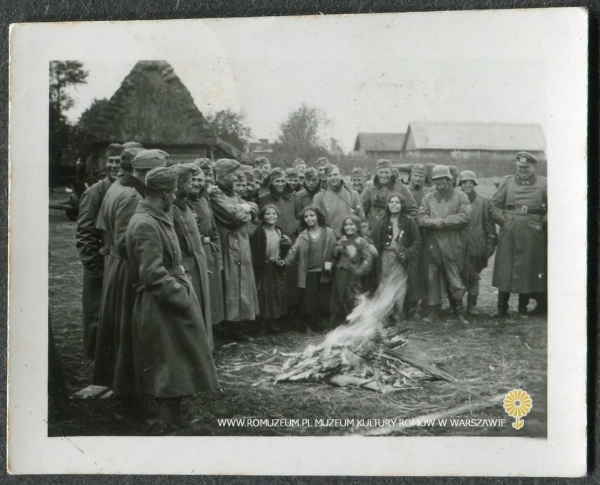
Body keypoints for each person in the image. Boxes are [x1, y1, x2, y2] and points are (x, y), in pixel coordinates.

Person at [126, 166, 219, 435]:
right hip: (160, 304)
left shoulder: (156, 216)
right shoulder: (144, 223)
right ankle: (164, 425)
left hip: (168, 301)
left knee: (174, 364)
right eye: (174, 190)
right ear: (165, 193)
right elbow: (152, 274)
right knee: (164, 366)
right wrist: (182, 298)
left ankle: (172, 420)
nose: (176, 195)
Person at [94, 148, 168, 425]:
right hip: (128, 272)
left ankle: (127, 401)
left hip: (117, 267)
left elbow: (105, 231)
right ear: (146, 172)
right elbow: (128, 243)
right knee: (131, 339)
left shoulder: (116, 187)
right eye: (158, 173)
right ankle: (130, 405)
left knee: (124, 338)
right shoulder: (130, 196)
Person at [76, 143, 122, 359]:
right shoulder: (95, 191)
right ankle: (94, 356)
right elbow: (85, 232)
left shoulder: (122, 189)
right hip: (98, 262)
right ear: (106, 163)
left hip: (114, 261)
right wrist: (93, 265)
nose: (114, 166)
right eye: (111, 162)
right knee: (96, 310)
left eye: (118, 162)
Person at [490, 151, 548, 318]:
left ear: (533, 167)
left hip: (533, 232)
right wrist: (504, 222)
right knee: (505, 268)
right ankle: (501, 309)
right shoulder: (507, 182)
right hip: (510, 229)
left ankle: (522, 309)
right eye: (520, 167)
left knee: (527, 268)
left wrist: (541, 223)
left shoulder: (544, 184)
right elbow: (494, 205)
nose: (522, 170)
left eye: (526, 167)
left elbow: (553, 208)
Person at [210, 158, 260, 341]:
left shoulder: (232, 194)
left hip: (241, 242)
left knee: (241, 284)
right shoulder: (215, 195)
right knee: (230, 284)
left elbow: (253, 208)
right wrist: (244, 209)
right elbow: (235, 216)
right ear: (223, 175)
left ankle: (238, 325)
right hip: (228, 245)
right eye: (233, 174)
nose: (236, 177)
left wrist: (246, 207)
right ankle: (228, 327)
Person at [417, 165, 471, 324]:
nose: (440, 182)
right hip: (433, 244)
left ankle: (458, 310)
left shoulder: (461, 196)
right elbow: (421, 217)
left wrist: (444, 222)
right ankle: (434, 310)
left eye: (443, 179)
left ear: (449, 179)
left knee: (455, 278)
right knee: (433, 277)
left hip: (454, 244)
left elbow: (465, 216)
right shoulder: (428, 198)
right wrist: (433, 222)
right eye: (436, 179)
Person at [171, 164, 214, 349]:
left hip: (197, 262)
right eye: (189, 182)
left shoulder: (187, 204)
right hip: (186, 265)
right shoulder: (172, 207)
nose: (193, 186)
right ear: (180, 184)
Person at [282, 206, 336, 332]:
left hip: (324, 272)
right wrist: (284, 262)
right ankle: (309, 328)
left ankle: (322, 327)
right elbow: (294, 250)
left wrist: (330, 264)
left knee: (323, 300)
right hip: (309, 273)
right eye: (306, 217)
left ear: (318, 217)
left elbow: (334, 252)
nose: (309, 218)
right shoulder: (303, 235)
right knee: (309, 302)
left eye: (312, 215)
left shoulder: (328, 232)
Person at [371, 195, 421, 325]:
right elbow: (372, 237)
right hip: (385, 256)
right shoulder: (382, 221)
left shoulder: (409, 221)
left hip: (401, 258)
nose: (394, 205)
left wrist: (407, 252)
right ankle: (384, 314)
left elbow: (417, 240)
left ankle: (397, 314)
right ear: (387, 205)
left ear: (402, 205)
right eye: (391, 202)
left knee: (400, 285)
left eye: (397, 202)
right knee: (385, 283)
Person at [188, 159, 225, 330]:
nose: (196, 184)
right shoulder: (182, 203)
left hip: (209, 253)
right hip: (194, 253)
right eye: (193, 180)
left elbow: (214, 230)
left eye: (200, 180)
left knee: (212, 296)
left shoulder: (205, 201)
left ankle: (212, 333)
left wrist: (218, 255)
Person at [258, 167, 300, 315]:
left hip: (289, 241)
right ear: (271, 182)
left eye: (283, 181)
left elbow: (298, 217)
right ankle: (273, 313)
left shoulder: (293, 198)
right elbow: (260, 219)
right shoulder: (264, 198)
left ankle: (288, 310)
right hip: (271, 241)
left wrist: (292, 231)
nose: (280, 184)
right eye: (277, 181)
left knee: (289, 276)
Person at [458, 170, 498, 316]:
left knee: (473, 277)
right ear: (460, 185)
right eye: (464, 182)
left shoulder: (483, 202)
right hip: (459, 246)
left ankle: (471, 306)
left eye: (470, 182)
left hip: (477, 246)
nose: (467, 185)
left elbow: (489, 226)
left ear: (474, 184)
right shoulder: (456, 200)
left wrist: (489, 248)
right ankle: (456, 306)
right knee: (458, 277)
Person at [250, 205, 293, 334]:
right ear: (263, 217)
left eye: (274, 214)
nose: (271, 216)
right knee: (263, 295)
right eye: (268, 214)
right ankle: (261, 325)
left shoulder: (279, 231)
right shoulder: (260, 231)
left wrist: (283, 253)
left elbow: (281, 249)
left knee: (275, 294)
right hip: (263, 267)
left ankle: (271, 324)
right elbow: (256, 251)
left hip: (275, 267)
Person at [330, 215, 374, 323]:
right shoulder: (342, 240)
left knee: (353, 297)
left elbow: (367, 258)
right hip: (340, 273)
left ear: (358, 227)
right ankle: (341, 320)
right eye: (346, 225)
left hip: (353, 274)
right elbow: (333, 256)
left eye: (351, 224)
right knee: (339, 296)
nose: (348, 227)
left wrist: (360, 270)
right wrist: (337, 251)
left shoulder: (362, 241)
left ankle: (358, 321)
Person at [361, 159, 418, 230]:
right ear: (377, 173)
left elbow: (412, 211)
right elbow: (360, 212)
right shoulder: (369, 190)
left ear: (391, 173)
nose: (383, 175)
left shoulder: (402, 188)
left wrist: (405, 226)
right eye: (381, 172)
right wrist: (365, 229)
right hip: (375, 231)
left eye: (386, 172)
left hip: (396, 231)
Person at [312, 164, 366, 237]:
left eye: (335, 174)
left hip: (350, 239)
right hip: (330, 239)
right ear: (326, 178)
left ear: (341, 175)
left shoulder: (353, 194)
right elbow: (316, 223)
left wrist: (366, 240)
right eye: (330, 175)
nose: (333, 178)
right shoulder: (319, 197)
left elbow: (362, 220)